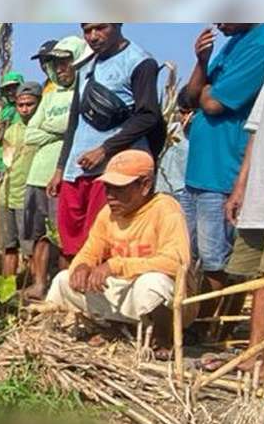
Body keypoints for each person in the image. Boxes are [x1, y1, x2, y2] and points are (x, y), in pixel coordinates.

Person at [178, 23, 264, 329]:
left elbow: (214, 104)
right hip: (199, 172)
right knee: (196, 257)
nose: (217, 23)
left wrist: (207, 92)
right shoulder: (239, 42)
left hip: (225, 169)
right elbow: (192, 96)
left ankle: (210, 327)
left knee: (221, 262)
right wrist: (202, 63)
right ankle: (202, 326)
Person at [47, 150, 190, 355]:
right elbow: (90, 250)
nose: (110, 196)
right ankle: (93, 329)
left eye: (119, 189)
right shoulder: (108, 213)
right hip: (124, 292)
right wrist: (82, 266)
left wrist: (116, 265)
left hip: (162, 298)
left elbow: (178, 262)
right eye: (107, 189)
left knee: (152, 284)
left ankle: (162, 337)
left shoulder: (166, 209)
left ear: (145, 185)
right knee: (63, 280)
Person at [47, 23, 165, 262]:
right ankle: (71, 295)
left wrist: (105, 149)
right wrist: (60, 168)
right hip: (76, 170)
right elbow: (74, 120)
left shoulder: (140, 62)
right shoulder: (86, 66)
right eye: (87, 30)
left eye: (100, 28)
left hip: (113, 172)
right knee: (71, 243)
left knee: (103, 243)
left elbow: (149, 116)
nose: (93, 36)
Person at [221, 37, 264, 387]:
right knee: (260, 281)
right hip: (263, 190)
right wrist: (241, 186)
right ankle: (253, 355)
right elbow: (257, 126)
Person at [22, 35, 89, 299]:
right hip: (36, 175)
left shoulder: (82, 93)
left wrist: (55, 129)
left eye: (65, 63)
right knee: (38, 236)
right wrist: (59, 131)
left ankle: (63, 288)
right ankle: (39, 285)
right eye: (56, 65)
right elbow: (30, 134)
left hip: (64, 175)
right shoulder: (49, 96)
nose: (60, 69)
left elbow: (72, 128)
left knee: (64, 236)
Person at [0, 81, 42, 277]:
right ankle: (7, 294)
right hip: (6, 196)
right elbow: (3, 161)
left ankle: (35, 287)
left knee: (31, 248)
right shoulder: (10, 130)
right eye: (20, 105)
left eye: (29, 104)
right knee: (9, 247)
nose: (24, 109)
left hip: (29, 198)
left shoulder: (42, 130)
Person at [155, 86, 194, 200]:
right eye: (183, 112)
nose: (186, 118)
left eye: (191, 113)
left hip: (186, 195)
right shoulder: (167, 131)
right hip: (163, 193)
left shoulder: (203, 137)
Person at [0, 71, 26, 173]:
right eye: (7, 89)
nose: (10, 92)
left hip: (18, 157)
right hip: (1, 157)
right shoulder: (4, 110)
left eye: (14, 87)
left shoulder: (26, 108)